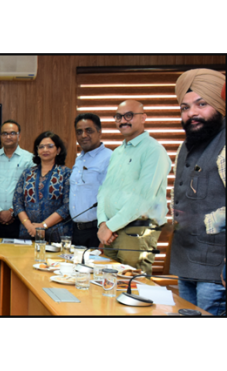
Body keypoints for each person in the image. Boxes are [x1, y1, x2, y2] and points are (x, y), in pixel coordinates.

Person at [170, 69, 225, 316]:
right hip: (186, 260)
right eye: (185, 107)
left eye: (201, 104)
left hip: (216, 269)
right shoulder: (187, 145)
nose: (192, 113)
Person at [97, 100, 171, 275]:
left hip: (136, 229)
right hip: (111, 231)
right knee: (108, 286)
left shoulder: (153, 150)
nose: (123, 120)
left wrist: (110, 226)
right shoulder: (117, 152)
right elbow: (104, 191)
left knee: (132, 286)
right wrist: (102, 223)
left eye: (129, 115)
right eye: (118, 116)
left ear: (143, 117)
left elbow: (143, 198)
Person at [0, 119, 33, 315]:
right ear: (0, 136)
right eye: (5, 133)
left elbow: (28, 190)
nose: (9, 136)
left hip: (19, 219)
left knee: (18, 263)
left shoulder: (29, 158)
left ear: (19, 135)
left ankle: (16, 307)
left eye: (12, 133)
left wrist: (14, 211)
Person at [13, 131, 72, 241]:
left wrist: (43, 225)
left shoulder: (66, 173)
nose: (45, 150)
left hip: (56, 233)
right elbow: (17, 202)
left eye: (50, 146)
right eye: (41, 147)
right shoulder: (27, 173)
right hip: (29, 232)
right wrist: (29, 225)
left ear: (58, 150)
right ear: (37, 151)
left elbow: (67, 206)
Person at [69, 113, 112, 248]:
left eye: (89, 130)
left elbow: (111, 197)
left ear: (100, 132)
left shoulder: (110, 158)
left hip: (97, 231)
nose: (83, 135)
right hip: (76, 231)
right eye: (79, 132)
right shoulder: (79, 159)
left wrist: (105, 234)